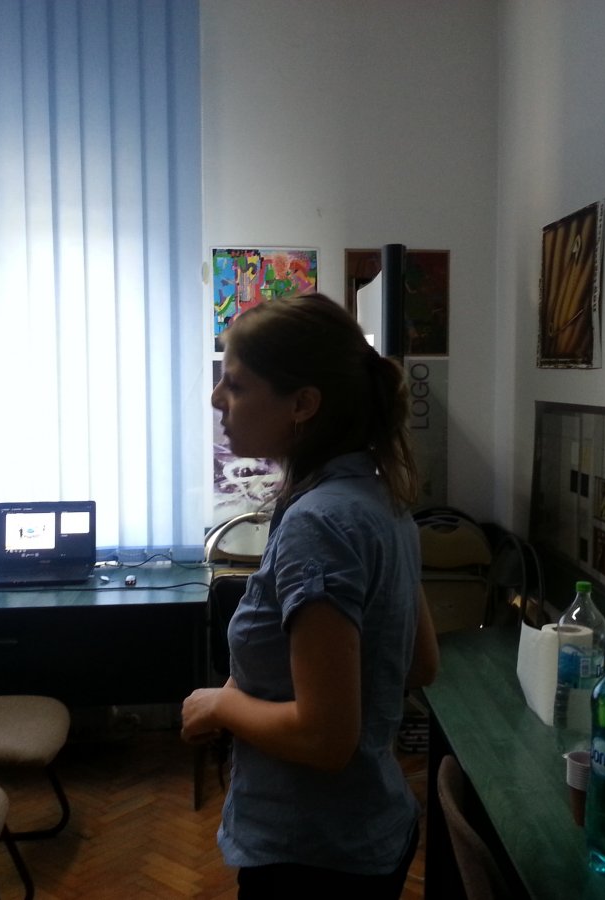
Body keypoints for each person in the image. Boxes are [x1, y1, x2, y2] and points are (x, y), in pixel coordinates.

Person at [182, 293, 440, 899]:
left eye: (236, 384)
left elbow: (324, 740)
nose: (217, 398)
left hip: (313, 857)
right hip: (370, 831)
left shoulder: (319, 523)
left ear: (302, 404)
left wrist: (219, 706)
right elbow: (419, 663)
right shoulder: (379, 497)